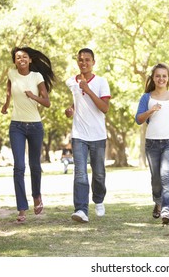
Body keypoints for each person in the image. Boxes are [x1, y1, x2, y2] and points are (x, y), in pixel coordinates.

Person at [1, 46, 55, 222]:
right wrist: (6, 103)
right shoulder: (11, 74)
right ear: (14, 61)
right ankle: (22, 209)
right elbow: (9, 89)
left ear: (30, 60)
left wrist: (33, 96)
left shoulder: (37, 77)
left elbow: (47, 102)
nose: (21, 59)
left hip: (35, 126)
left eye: (24, 56)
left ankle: (37, 195)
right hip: (16, 125)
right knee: (19, 167)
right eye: (18, 57)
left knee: (35, 166)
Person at [135, 63, 169, 224]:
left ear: (168, 78)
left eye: (164, 76)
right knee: (156, 179)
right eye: (158, 76)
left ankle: (166, 210)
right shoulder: (146, 97)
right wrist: (151, 110)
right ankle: (158, 202)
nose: (161, 79)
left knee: (166, 175)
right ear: (153, 78)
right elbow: (138, 119)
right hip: (152, 144)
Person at [65, 48, 111, 223]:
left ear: (93, 62)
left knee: (98, 173)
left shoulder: (101, 82)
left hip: (98, 135)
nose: (83, 63)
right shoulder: (71, 82)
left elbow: (104, 108)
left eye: (87, 60)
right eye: (80, 60)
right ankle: (81, 210)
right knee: (80, 173)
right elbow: (77, 102)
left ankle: (98, 199)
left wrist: (88, 89)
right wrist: (70, 110)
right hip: (79, 134)